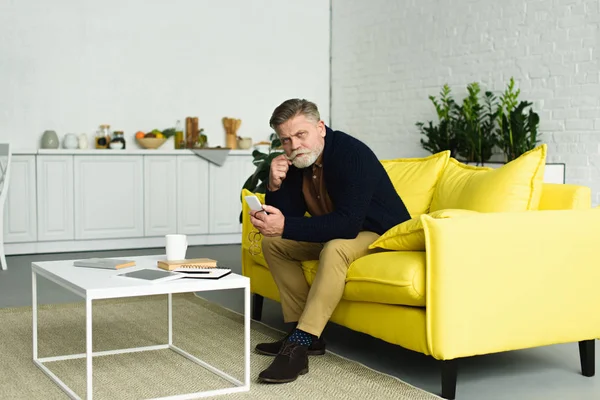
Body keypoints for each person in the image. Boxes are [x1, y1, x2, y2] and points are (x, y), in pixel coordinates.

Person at [249, 98, 411, 384]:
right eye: (285, 140)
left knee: (336, 249)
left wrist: (285, 224)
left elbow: (348, 225)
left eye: (301, 134)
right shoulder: (300, 161)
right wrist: (274, 186)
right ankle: (306, 335)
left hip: (380, 234)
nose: (294, 145)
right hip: (338, 231)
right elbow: (290, 217)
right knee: (273, 243)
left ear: (320, 128)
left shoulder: (352, 154)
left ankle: (298, 343)